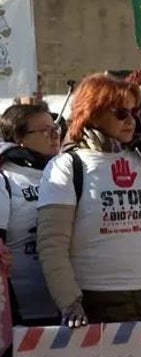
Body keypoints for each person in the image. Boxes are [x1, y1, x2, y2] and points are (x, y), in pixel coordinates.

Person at [36, 74, 141, 328]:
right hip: (97, 298)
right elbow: (52, 245)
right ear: (92, 113)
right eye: (120, 113)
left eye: (134, 112)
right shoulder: (68, 166)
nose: (130, 120)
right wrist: (69, 301)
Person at [0, 104, 60, 326]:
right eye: (44, 130)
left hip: (65, 305)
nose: (54, 134)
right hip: (18, 310)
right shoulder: (6, 177)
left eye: (55, 127)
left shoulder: (67, 172)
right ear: (19, 138)